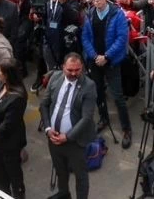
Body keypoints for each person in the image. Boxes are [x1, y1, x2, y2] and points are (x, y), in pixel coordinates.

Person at [39, 53, 98, 199]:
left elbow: (86, 118)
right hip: (53, 138)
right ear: (63, 67)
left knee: (80, 175)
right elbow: (44, 104)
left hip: (75, 141)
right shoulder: (55, 77)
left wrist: (67, 136)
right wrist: (47, 129)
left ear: (82, 68)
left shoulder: (89, 86)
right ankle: (64, 194)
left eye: (77, 70)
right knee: (60, 170)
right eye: (70, 70)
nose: (73, 73)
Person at [80, 0, 133, 147]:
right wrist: (95, 56)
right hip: (95, 61)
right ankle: (103, 118)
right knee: (98, 93)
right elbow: (85, 38)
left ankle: (126, 128)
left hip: (112, 61)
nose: (96, 0)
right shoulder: (89, 14)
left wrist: (107, 56)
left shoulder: (117, 14)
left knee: (117, 96)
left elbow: (122, 38)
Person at [0, 60, 28, 199]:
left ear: (7, 75)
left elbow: (10, 123)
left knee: (14, 174)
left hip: (11, 142)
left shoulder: (18, 96)